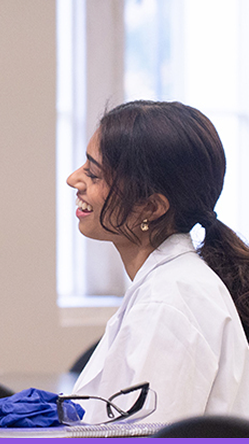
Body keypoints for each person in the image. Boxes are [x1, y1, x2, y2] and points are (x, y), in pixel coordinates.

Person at [66, 100, 249, 423]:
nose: (73, 180)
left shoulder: (168, 303)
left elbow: (147, 435)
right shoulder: (169, 286)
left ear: (151, 208)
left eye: (94, 174)